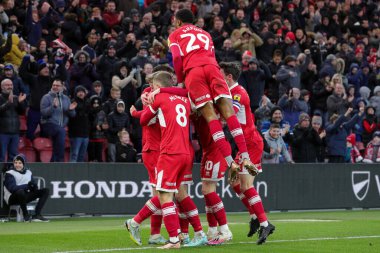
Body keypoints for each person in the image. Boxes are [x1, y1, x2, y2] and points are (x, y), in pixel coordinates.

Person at [168, 8, 256, 177]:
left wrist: (181, 80)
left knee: (210, 117)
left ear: (178, 21)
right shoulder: (205, 33)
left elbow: (177, 58)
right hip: (213, 68)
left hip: (193, 72)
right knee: (229, 113)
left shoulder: (175, 34)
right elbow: (212, 54)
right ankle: (245, 157)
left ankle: (231, 163)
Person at [126, 71, 197, 249]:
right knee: (169, 193)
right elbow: (187, 94)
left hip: (167, 150)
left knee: (167, 193)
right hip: (165, 150)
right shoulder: (162, 96)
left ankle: (163, 233)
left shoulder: (161, 96)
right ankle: (172, 233)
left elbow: (144, 118)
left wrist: (136, 113)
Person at [220, 62, 275, 245]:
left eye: (221, 75)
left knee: (245, 185)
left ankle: (265, 223)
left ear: (228, 77)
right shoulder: (231, 92)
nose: (218, 78)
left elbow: (229, 114)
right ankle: (254, 217)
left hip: (250, 143)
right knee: (233, 181)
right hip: (245, 143)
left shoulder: (237, 93)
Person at [3, 154, 49, 222]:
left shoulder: (28, 172)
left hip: (25, 196)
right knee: (20, 191)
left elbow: (33, 187)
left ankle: (37, 215)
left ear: (23, 164)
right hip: (12, 198)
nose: (17, 165)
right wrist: (27, 186)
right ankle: (25, 215)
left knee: (46, 190)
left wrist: (33, 186)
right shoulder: (9, 173)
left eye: (19, 163)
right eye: (15, 163)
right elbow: (12, 188)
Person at [40, 79, 77, 162]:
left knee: (59, 136)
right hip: (48, 124)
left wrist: (70, 110)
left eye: (57, 85)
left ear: (62, 87)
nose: (55, 87)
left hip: (60, 127)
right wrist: (53, 107)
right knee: (61, 132)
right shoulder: (46, 97)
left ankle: (54, 161)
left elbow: (73, 115)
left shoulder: (66, 99)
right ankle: (60, 160)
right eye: (54, 85)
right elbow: (43, 113)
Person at [0, 79, 27, 162]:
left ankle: (10, 174)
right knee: (1, 155)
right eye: (7, 85)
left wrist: (20, 103)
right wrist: (8, 103)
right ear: (2, 87)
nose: (10, 87)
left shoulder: (16, 98)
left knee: (13, 157)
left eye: (11, 85)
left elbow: (22, 112)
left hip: (15, 132)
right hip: (2, 132)